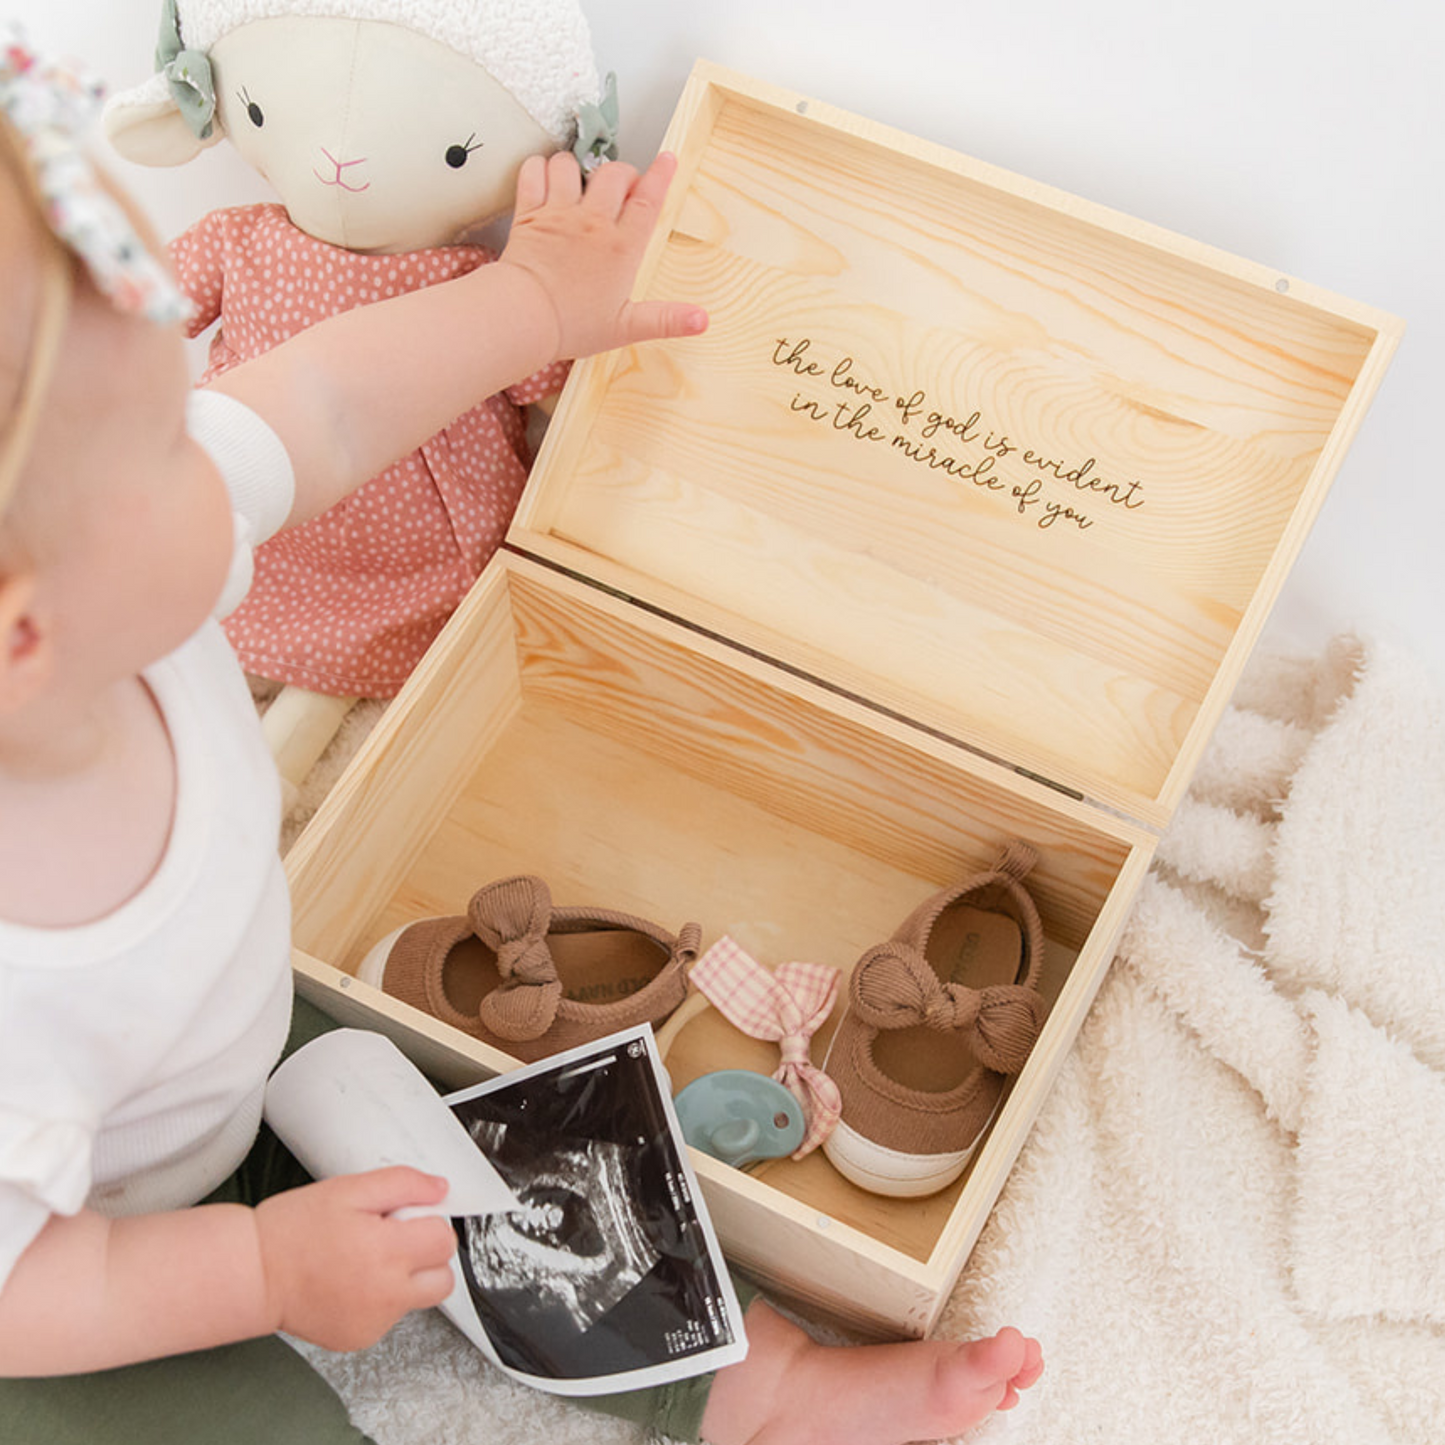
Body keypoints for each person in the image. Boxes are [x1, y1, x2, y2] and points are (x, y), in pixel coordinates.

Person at [0, 32, 1042, 1445]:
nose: (212, 427)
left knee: (551, 1153)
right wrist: (259, 1273)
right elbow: (28, 1289)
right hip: (60, 1279)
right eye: (164, 442)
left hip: (200, 1061)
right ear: (23, 631)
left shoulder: (115, 577)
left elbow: (321, 399)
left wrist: (534, 298)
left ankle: (760, 1385)